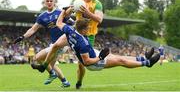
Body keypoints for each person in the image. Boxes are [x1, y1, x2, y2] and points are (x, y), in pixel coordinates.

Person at [31, 9, 160, 89]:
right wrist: (100, 57)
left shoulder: (70, 31)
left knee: (120, 57)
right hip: (94, 62)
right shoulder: (83, 42)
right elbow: (86, 62)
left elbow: (59, 23)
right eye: (87, 28)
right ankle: (147, 63)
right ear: (83, 30)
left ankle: (143, 58)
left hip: (95, 54)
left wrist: (64, 12)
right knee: (121, 61)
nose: (88, 30)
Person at [13, 0, 70, 87]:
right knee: (52, 65)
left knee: (37, 58)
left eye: (51, 1)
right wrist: (22, 37)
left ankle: (52, 74)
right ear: (44, 2)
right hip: (54, 44)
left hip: (61, 43)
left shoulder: (60, 12)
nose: (49, 2)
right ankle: (65, 82)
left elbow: (72, 23)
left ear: (54, 2)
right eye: (47, 1)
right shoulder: (42, 17)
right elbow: (33, 29)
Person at [71, 0, 104, 89]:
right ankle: (46, 65)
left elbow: (99, 19)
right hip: (76, 34)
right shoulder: (77, 1)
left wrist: (87, 12)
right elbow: (68, 12)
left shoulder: (97, 4)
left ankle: (79, 81)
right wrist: (68, 10)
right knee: (57, 44)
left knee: (81, 64)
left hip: (89, 36)